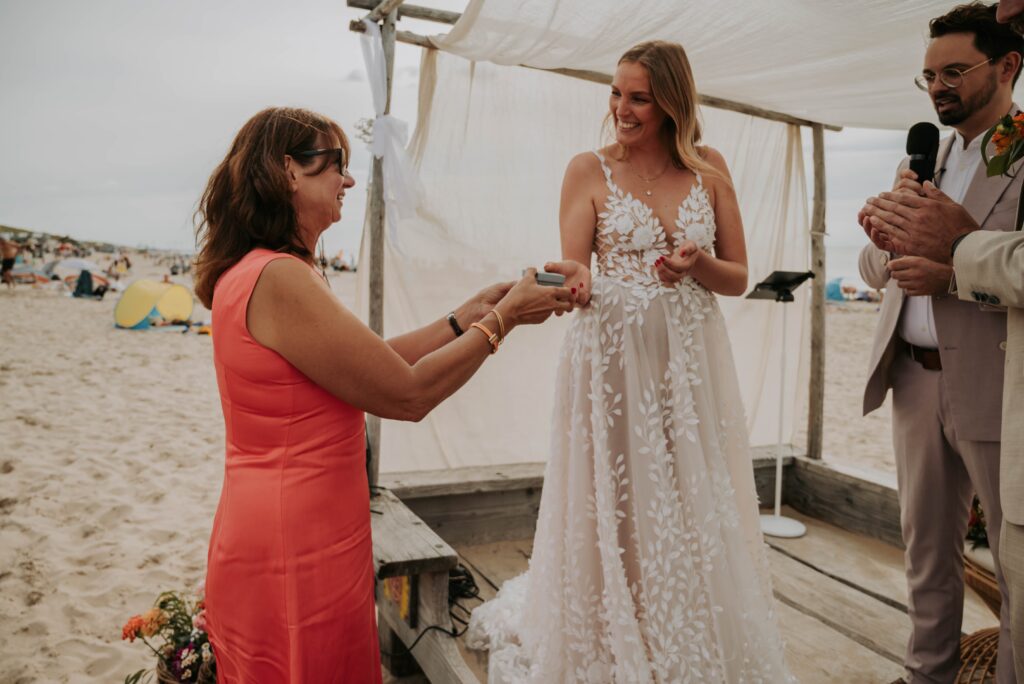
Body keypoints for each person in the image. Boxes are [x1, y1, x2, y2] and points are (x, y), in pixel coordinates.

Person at [194, 107, 575, 683]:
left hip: (295, 525)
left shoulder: (262, 270)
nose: (348, 180)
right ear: (289, 173)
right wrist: (505, 319)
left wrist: (463, 318)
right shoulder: (279, 277)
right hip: (294, 542)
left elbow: (366, 365)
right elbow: (406, 395)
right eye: (336, 165)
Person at [466, 41, 793, 683]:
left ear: (672, 101)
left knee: (688, 492)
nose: (621, 108)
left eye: (637, 97)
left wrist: (697, 264)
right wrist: (576, 282)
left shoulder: (712, 168)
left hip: (692, 362)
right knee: (616, 497)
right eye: (615, 93)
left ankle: (684, 620)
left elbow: (738, 277)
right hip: (612, 361)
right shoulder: (587, 170)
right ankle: (620, 623)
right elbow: (576, 268)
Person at [862, 2, 1024, 680]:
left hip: (995, 381)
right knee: (927, 557)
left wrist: (952, 266)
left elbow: (988, 263)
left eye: (954, 71)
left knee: (1015, 568)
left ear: (1008, 65)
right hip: (913, 379)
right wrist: (879, 237)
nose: (937, 88)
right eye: (927, 76)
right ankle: (923, 675)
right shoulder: (925, 160)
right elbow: (879, 275)